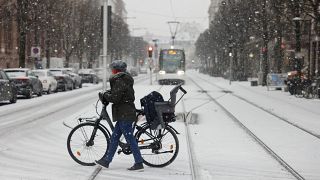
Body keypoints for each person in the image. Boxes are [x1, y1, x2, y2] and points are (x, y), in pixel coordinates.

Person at [95, 60, 144, 171]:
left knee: (129, 138)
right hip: (124, 112)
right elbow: (118, 93)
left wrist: (106, 95)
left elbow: (115, 98)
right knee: (115, 138)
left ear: (116, 70)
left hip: (124, 113)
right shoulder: (123, 79)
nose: (111, 71)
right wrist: (109, 93)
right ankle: (107, 161)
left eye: (112, 69)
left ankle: (139, 162)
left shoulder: (120, 79)